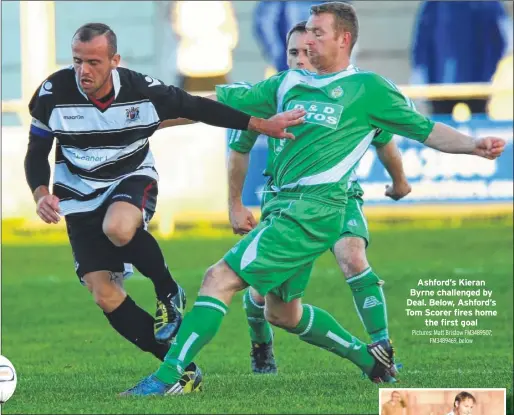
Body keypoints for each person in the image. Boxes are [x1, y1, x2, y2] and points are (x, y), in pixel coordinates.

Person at [123, 2, 505, 396]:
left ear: (344, 39)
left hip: (314, 210)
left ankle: (168, 378)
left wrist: (474, 145)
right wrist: (144, 123)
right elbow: (214, 106)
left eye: (318, 33)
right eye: (307, 33)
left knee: (217, 278)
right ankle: (368, 359)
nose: (309, 39)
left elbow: (425, 130)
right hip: (282, 208)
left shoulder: (369, 90)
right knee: (282, 313)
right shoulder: (286, 85)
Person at [23, 22, 305, 390]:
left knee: (119, 227)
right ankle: (180, 368)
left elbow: (200, 107)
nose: (83, 71)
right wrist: (41, 193)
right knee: (104, 293)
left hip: (130, 177)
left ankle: (168, 291)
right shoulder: (52, 92)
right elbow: (36, 152)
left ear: (115, 60)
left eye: (93, 62)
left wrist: (260, 125)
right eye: (77, 61)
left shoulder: (142, 89)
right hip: (77, 193)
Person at [228, 20, 411, 375]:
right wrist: (235, 203)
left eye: (306, 51)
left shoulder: (351, 93)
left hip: (340, 195)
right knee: (263, 293)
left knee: (354, 259)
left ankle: (382, 348)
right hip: (287, 203)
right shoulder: (274, 94)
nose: (300, 58)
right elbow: (239, 150)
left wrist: (399, 182)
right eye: (292, 52)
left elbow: (385, 141)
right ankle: (261, 343)